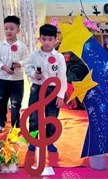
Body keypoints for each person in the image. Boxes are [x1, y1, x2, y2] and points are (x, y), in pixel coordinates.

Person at [24, 23, 67, 153]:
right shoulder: (34, 55)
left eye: (50, 39)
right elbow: (28, 68)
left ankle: (50, 141)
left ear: (55, 40)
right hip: (37, 89)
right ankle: (33, 140)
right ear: (40, 39)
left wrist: (60, 95)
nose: (47, 42)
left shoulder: (59, 57)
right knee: (34, 116)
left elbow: (62, 77)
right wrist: (33, 74)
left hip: (52, 90)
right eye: (44, 39)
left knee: (52, 116)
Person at [0, 15, 29, 132]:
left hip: (17, 80)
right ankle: (0, 123)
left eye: (12, 29)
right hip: (2, 79)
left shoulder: (22, 46)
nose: (9, 31)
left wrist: (19, 64)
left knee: (16, 103)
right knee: (0, 101)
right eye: (6, 28)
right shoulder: (0, 45)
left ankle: (16, 125)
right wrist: (3, 67)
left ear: (18, 30)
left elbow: (27, 59)